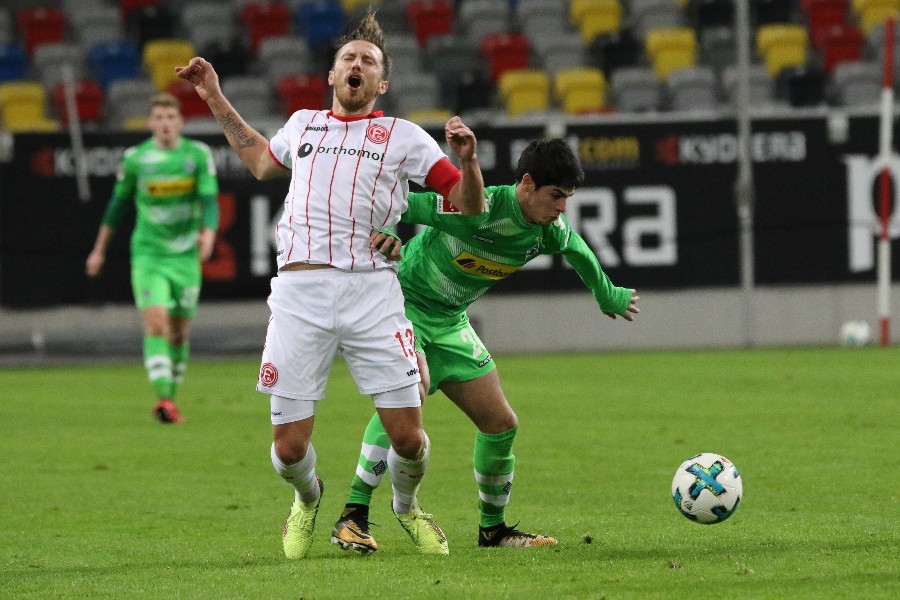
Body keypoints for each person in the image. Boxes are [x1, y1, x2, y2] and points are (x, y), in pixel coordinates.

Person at [174, 9, 484, 558]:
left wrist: (469, 162)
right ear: (332, 76)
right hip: (300, 296)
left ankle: (407, 507)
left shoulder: (405, 137)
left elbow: (468, 206)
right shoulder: (303, 125)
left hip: (373, 293)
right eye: (348, 59)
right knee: (289, 449)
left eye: (368, 61)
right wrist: (214, 96)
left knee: (408, 438)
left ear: (381, 83)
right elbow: (259, 163)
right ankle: (308, 497)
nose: (356, 65)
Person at [330, 138, 640, 554]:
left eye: (567, 197)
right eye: (556, 196)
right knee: (409, 398)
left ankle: (492, 532)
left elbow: (578, 250)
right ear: (526, 184)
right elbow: (404, 203)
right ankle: (353, 514)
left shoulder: (546, 230)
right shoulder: (477, 209)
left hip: (451, 322)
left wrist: (607, 295)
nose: (562, 207)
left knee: (501, 424)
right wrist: (384, 227)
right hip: (404, 307)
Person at [86, 92, 219, 424]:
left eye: (170, 117)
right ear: (150, 123)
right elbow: (117, 207)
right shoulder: (136, 159)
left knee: (178, 332)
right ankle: (162, 398)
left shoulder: (197, 155)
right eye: (158, 118)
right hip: (148, 256)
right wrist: (99, 249)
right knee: (156, 323)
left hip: (185, 257)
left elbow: (210, 200)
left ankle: (170, 398)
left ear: (180, 122)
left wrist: (209, 232)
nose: (164, 124)